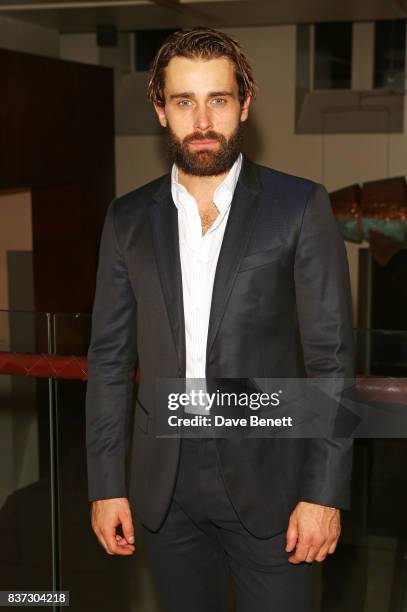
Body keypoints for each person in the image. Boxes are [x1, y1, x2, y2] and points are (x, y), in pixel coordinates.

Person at [85, 27, 355, 612]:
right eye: (184, 101)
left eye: (219, 99)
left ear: (245, 105)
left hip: (276, 488)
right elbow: (108, 360)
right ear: (161, 110)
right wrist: (106, 485)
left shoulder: (300, 206)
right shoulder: (127, 219)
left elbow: (331, 360)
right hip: (164, 491)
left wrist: (324, 494)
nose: (202, 120)